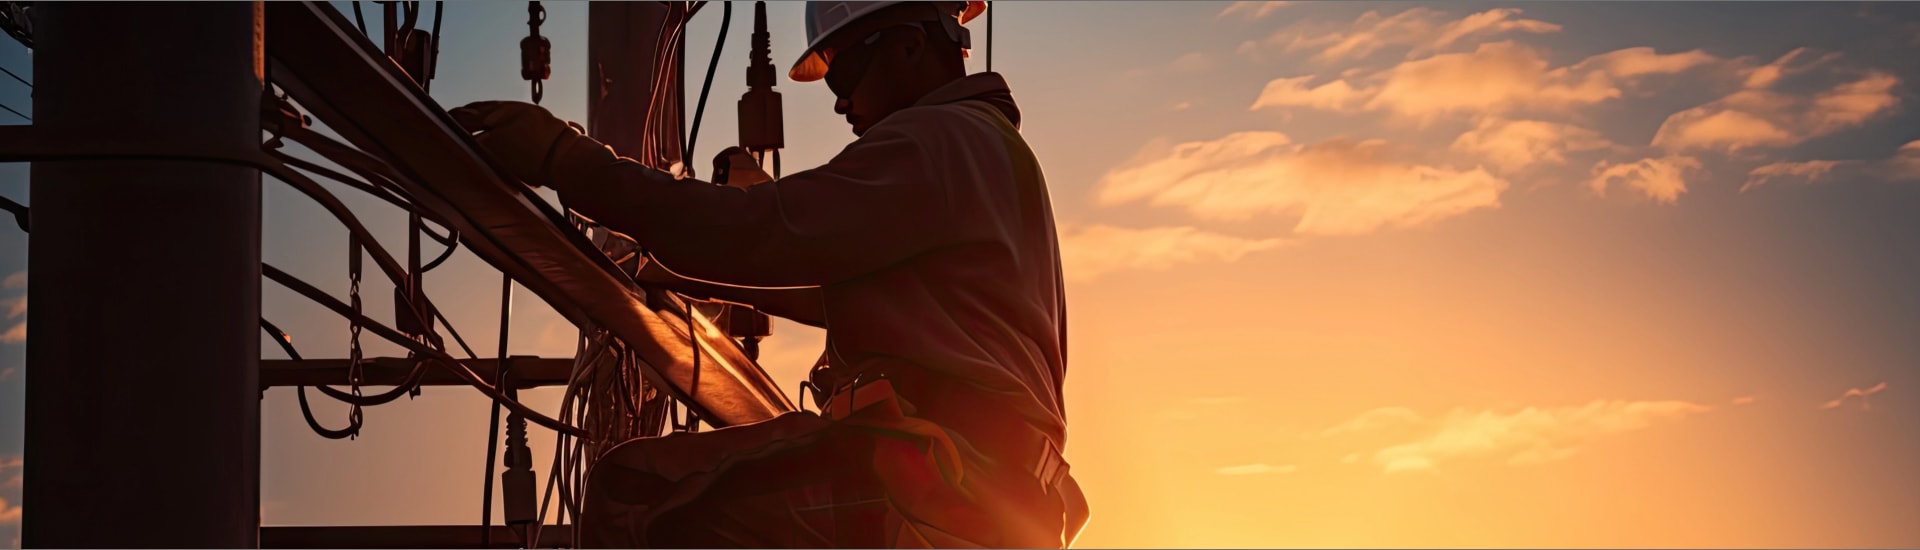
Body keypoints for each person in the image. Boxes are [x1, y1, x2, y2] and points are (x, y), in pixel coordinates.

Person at [450, 1, 1086, 547]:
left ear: (912, 45)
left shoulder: (933, 142)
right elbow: (808, 275)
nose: (839, 100)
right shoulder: (990, 154)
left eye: (847, 69)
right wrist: (669, 260)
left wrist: (568, 162)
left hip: (940, 478)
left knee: (634, 492)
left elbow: (762, 232)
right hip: (994, 492)